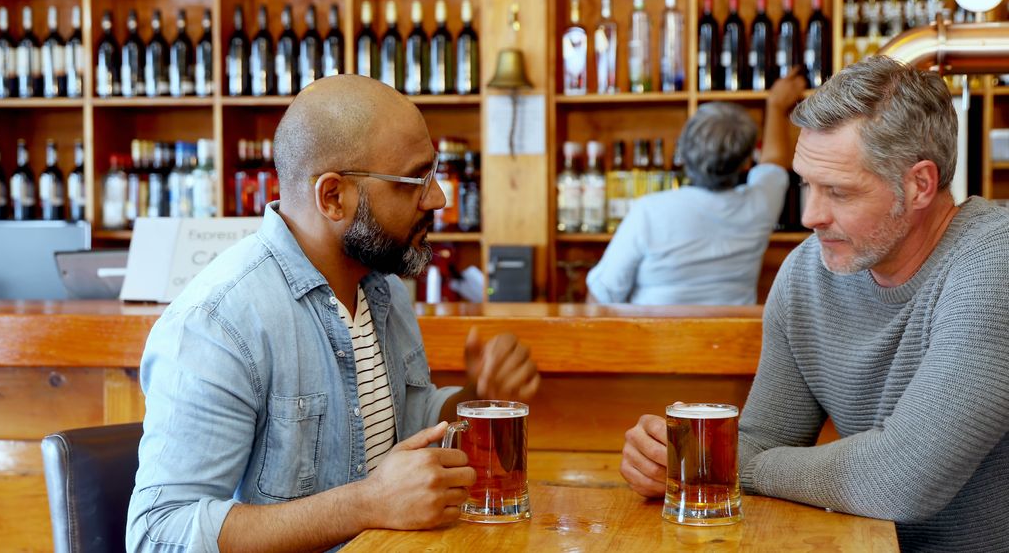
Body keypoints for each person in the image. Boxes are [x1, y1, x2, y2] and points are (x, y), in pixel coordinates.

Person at [126, 75, 541, 552]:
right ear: (332, 197)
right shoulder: (219, 324)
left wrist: (477, 398)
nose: (437, 199)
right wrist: (366, 504)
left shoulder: (384, 290)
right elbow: (158, 535)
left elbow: (402, 430)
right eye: (416, 180)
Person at [620, 56, 1009, 551]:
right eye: (807, 183)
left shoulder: (995, 260)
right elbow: (761, 439)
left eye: (839, 192)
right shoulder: (808, 273)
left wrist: (725, 464)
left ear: (920, 185)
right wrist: (674, 459)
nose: (810, 215)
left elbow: (904, 477)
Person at [585, 69, 806, 305]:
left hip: (654, 339)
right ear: (745, 163)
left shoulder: (650, 211)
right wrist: (775, 105)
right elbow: (774, 161)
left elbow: (601, 296)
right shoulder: (760, 205)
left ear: (684, 152)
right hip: (729, 340)